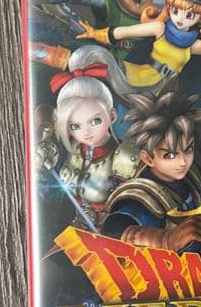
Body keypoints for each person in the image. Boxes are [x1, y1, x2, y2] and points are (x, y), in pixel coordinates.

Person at [100, 85, 201, 251]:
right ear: (148, 158)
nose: (182, 162)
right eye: (170, 155)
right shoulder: (140, 196)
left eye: (188, 150)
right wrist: (164, 240)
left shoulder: (192, 178)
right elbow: (112, 229)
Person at [36, 45, 139, 231]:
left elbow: (133, 206)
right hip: (74, 228)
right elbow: (44, 112)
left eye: (95, 121)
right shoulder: (71, 147)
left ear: (112, 115)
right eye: (75, 126)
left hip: (110, 232)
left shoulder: (124, 156)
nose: (86, 132)